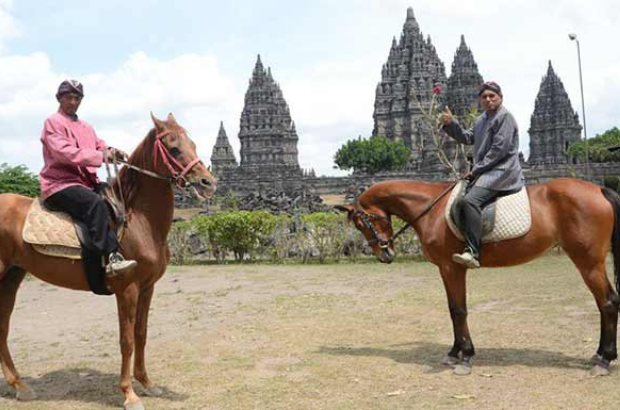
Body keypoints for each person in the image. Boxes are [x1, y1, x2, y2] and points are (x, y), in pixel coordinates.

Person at [39, 79, 137, 278]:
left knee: (117, 199)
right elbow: (63, 152)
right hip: (60, 184)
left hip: (85, 183)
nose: (73, 102)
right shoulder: (53, 122)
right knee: (94, 204)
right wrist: (100, 157)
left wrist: (111, 151)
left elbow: (99, 145)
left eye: (77, 98)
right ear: (59, 98)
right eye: (69, 97)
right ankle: (111, 257)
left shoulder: (87, 127)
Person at [441, 81, 525, 268]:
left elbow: (499, 150)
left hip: (502, 171)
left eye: (492, 96)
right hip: (486, 171)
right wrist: (450, 124)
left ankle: (473, 252)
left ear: (500, 97)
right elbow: (467, 137)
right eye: (484, 97)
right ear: (480, 100)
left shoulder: (505, 117)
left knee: (469, 201)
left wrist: (476, 170)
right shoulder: (481, 120)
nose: (488, 100)